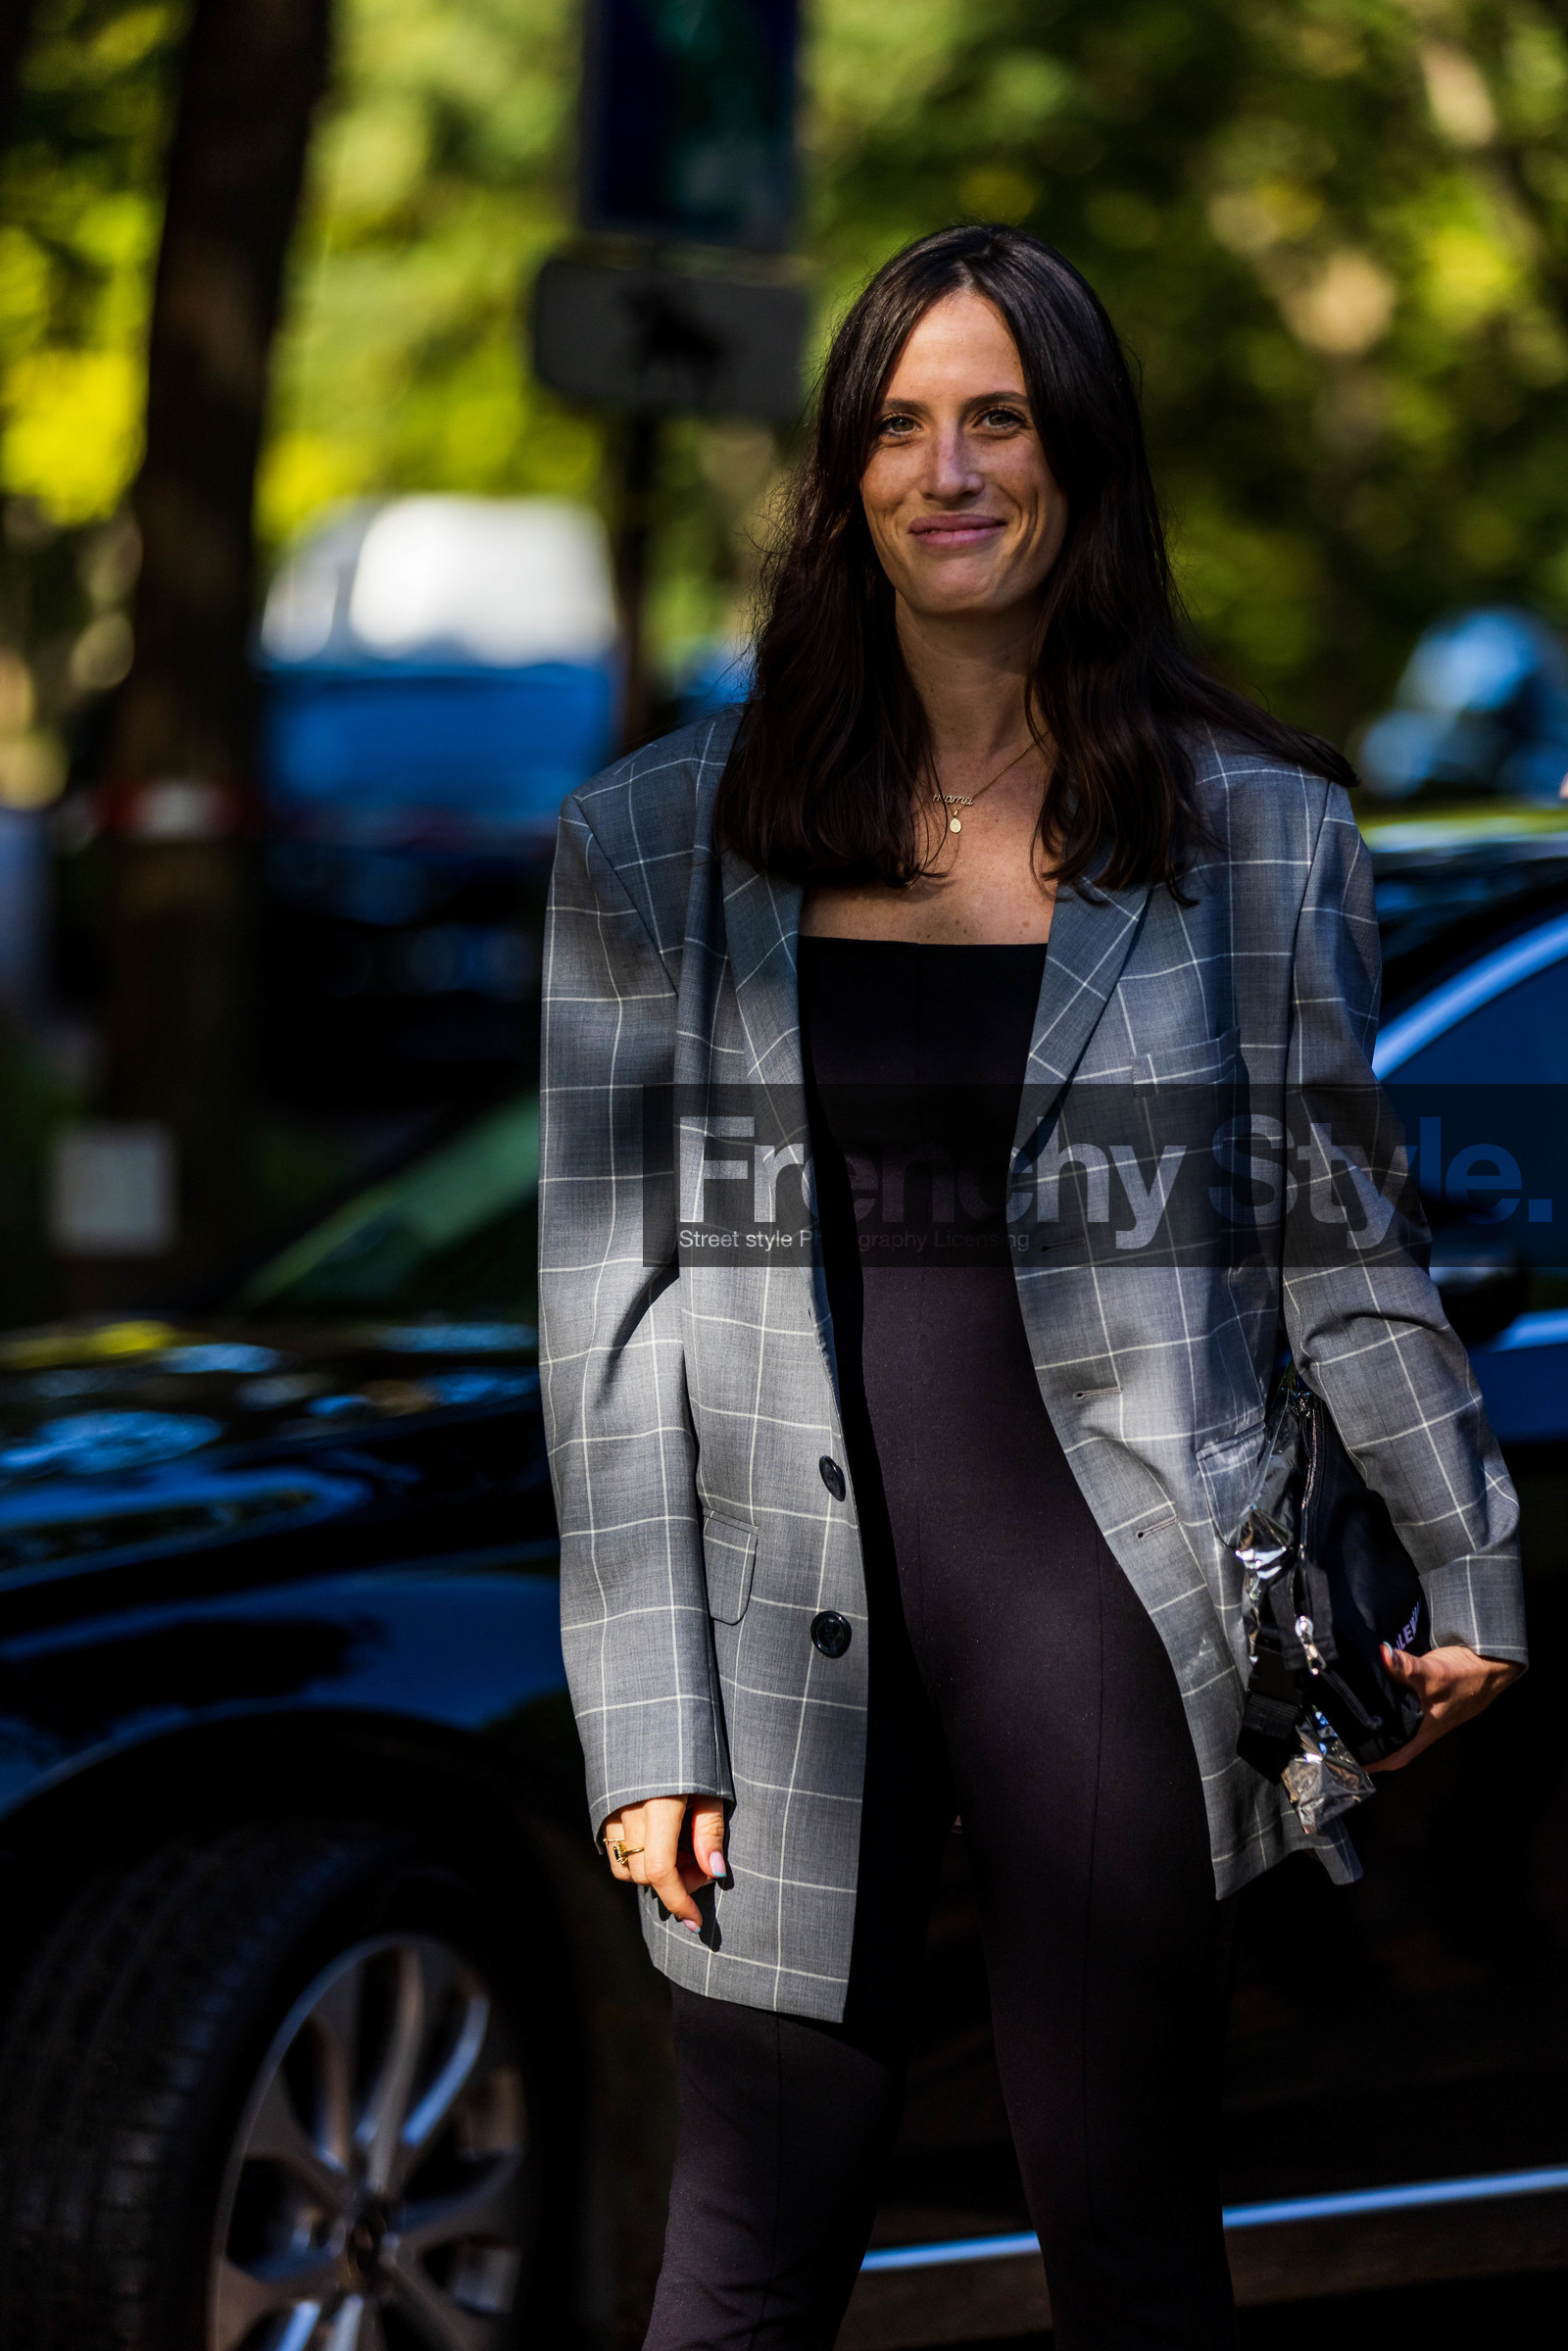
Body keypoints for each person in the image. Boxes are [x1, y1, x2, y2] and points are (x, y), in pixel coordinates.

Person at [537, 224, 1526, 2351]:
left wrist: (1465, 1558)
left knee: (1135, 2242)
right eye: (894, 425)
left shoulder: (1257, 833)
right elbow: (604, 1316)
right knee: (742, 2252)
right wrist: (642, 1722)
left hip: (1124, 1604)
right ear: (841, 475)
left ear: (1075, 455)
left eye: (994, 416)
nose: (945, 468)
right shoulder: (649, 845)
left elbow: (1336, 1231)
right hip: (764, 1628)